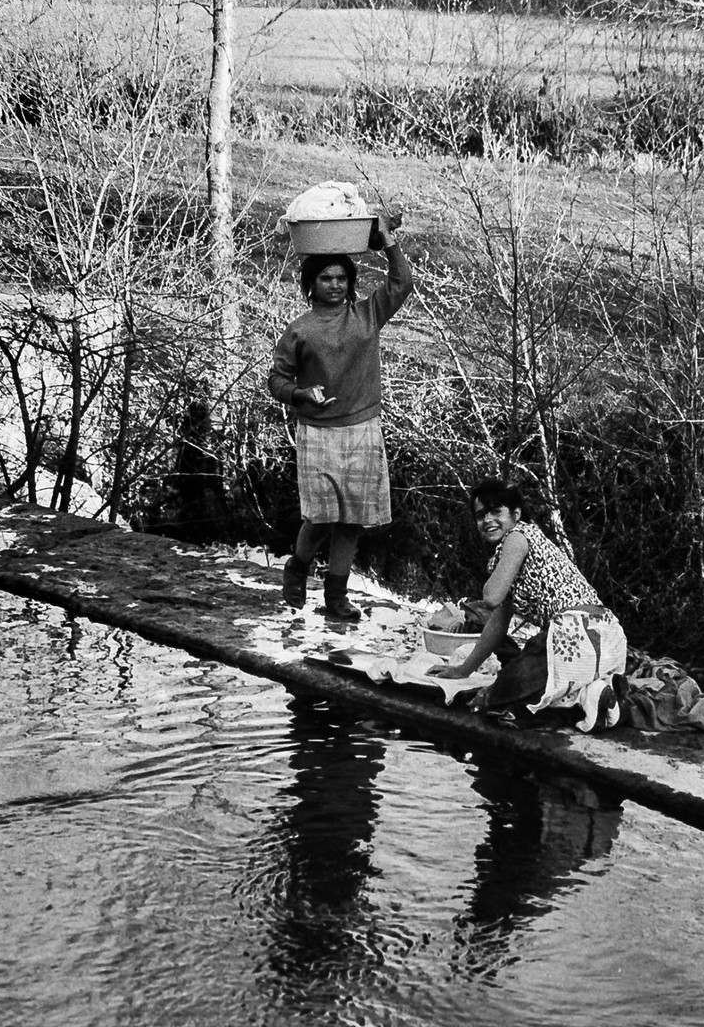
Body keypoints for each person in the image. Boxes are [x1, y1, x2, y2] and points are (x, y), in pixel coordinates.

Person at [268, 214, 412, 620]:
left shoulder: (367, 316)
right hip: (318, 432)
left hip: (362, 428)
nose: (335, 284)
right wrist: (300, 393)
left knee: (352, 520)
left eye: (342, 278)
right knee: (320, 516)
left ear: (351, 283)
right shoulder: (300, 331)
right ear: (310, 284)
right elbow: (276, 379)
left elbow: (402, 283)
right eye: (326, 278)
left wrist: (388, 242)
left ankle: (336, 596)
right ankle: (297, 566)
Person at [428, 478, 629, 732]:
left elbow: (491, 598)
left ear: (516, 514)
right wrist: (463, 670)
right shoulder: (524, 543)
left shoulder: (517, 538)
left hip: (577, 635)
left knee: (509, 684)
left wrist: (493, 690)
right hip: (605, 640)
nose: (487, 520)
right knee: (537, 672)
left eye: (496, 511)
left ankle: (527, 701)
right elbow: (497, 624)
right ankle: (595, 694)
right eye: (480, 515)